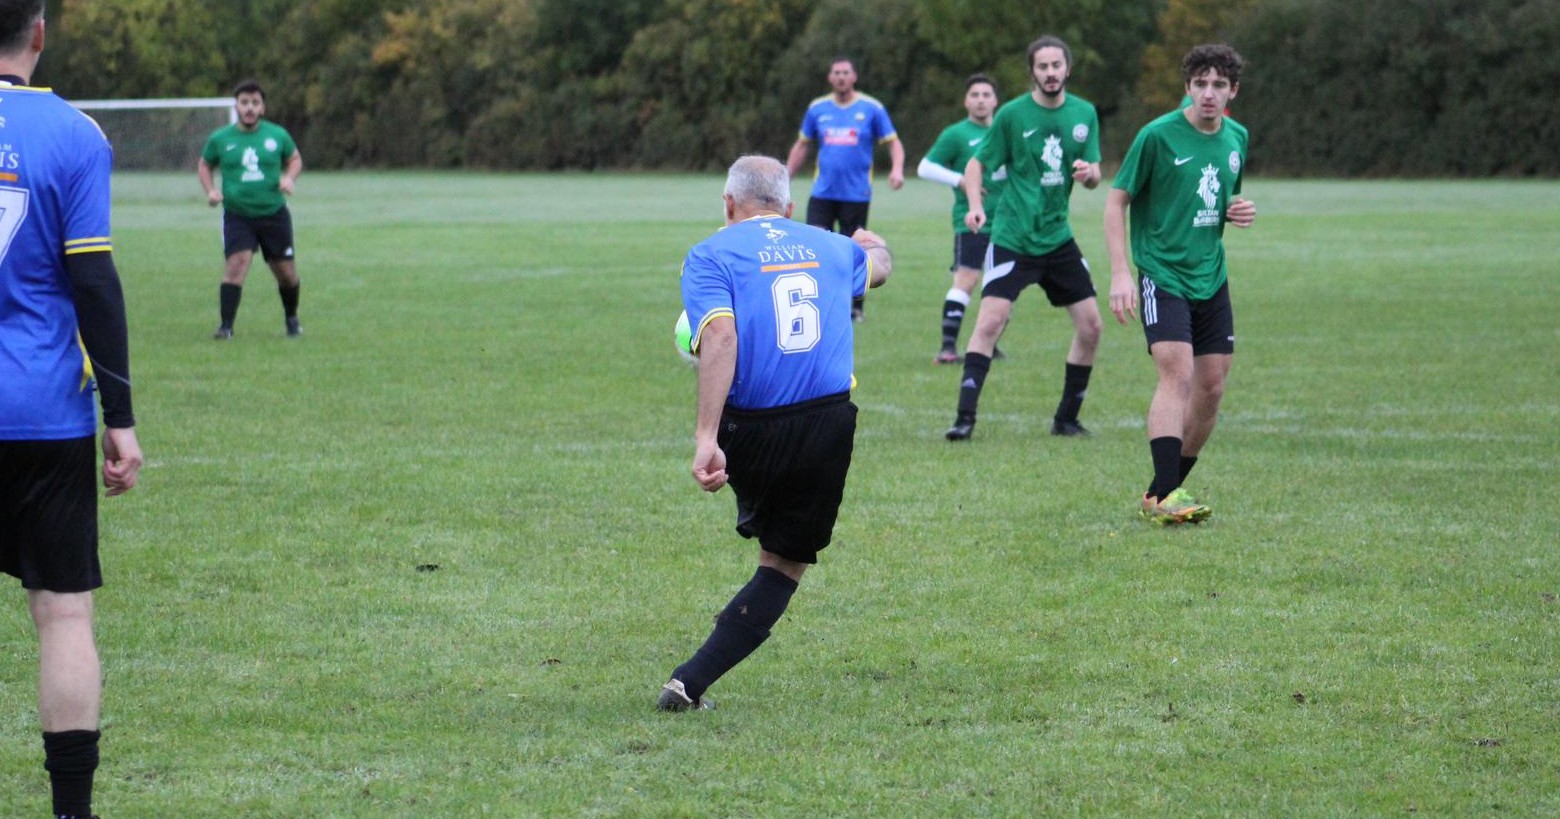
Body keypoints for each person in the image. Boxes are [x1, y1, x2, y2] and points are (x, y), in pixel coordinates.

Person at [658, 155, 891, 711]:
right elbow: (877, 267)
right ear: (788, 207)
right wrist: (875, 245)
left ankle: (688, 683)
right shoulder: (832, 246)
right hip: (827, 423)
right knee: (784, 562)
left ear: (728, 204)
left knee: (776, 550)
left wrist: (706, 436)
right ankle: (689, 682)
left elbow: (718, 339)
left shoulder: (710, 252)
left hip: (752, 428)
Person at [0, 3, 144, 817]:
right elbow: (93, 282)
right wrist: (119, 417)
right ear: (40, 33)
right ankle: (71, 811)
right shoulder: (76, 135)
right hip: (45, 412)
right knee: (62, 617)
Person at [1104, 44, 1255, 525]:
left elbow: (1221, 199)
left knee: (1211, 387)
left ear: (1233, 90)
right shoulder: (1157, 136)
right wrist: (1121, 271)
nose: (1208, 94)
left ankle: (1161, 490)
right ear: (1187, 87)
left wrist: (1239, 209)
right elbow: (1116, 201)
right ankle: (1168, 494)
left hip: (1212, 276)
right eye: (1200, 84)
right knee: (1178, 375)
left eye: (1218, 85)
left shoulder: (1237, 138)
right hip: (1162, 273)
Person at [945, 35, 1104, 441]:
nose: (1050, 73)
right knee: (990, 322)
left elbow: (1095, 175)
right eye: (1042, 66)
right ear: (1032, 71)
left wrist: (1090, 175)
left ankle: (1066, 419)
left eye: (1056, 66)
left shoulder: (1084, 113)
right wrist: (976, 205)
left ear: (1067, 68)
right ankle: (964, 419)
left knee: (1091, 327)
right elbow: (977, 164)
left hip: (1058, 238)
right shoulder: (1013, 115)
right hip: (1014, 236)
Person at [786, 56, 904, 321]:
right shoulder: (817, 109)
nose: (840, 77)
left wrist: (897, 169)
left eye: (845, 72)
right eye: (836, 72)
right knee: (816, 245)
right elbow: (803, 144)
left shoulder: (871, 108)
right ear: (830, 78)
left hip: (856, 193)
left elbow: (893, 142)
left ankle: (855, 306)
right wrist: (785, 177)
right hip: (823, 191)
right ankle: (817, 300)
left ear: (854, 77)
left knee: (855, 249)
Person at [197, 79, 304, 340]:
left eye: (255, 103)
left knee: (286, 274)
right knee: (237, 263)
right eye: (245, 102)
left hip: (273, 214)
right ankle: (226, 327)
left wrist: (289, 178)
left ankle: (292, 319)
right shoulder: (220, 139)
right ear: (237, 106)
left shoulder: (277, 135)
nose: (249, 108)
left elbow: (295, 158)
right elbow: (204, 164)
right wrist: (210, 190)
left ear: (262, 108)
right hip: (238, 215)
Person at [917, 73, 1006, 364]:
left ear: (995, 100)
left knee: (1003, 285)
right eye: (974, 95)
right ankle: (948, 347)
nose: (980, 100)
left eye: (986, 95)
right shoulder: (956, 134)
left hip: (1008, 222)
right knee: (966, 280)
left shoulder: (1006, 131)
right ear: (966, 101)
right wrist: (961, 180)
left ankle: (988, 344)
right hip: (972, 221)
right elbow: (924, 167)